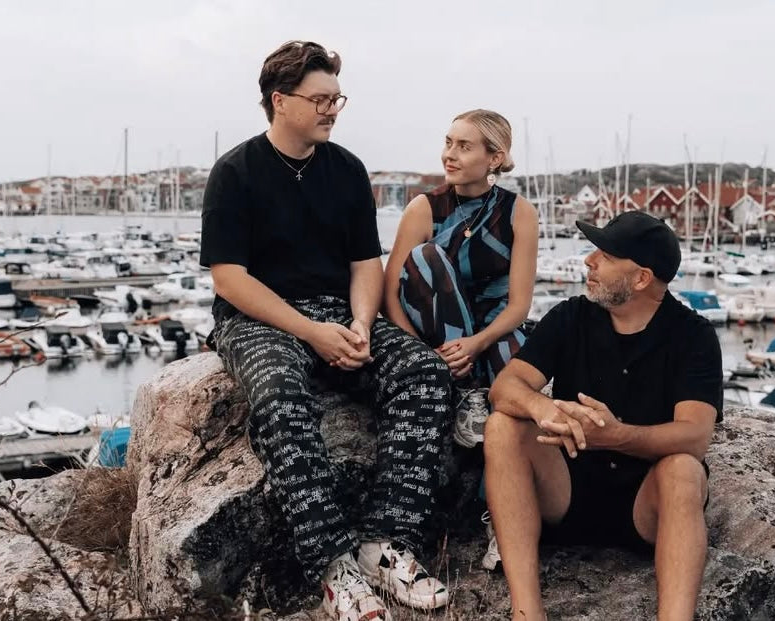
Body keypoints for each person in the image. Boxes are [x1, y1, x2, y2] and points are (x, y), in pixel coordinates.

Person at [200, 40, 452, 621]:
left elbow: (365, 263)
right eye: (320, 99)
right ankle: (335, 568)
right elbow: (229, 278)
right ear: (280, 100)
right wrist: (311, 332)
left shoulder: (347, 169)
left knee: (424, 373)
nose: (332, 109)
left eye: (337, 98)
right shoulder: (234, 172)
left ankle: (384, 544)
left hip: (339, 311)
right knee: (280, 397)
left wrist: (359, 324)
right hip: (259, 318)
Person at [482, 211, 723, 621]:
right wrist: (544, 408)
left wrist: (615, 435)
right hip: (565, 492)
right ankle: (526, 613)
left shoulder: (693, 336)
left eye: (606, 256)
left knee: (684, 470)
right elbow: (505, 388)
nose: (589, 261)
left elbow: (695, 436)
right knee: (503, 426)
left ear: (642, 278)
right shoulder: (570, 316)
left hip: (645, 505)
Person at [383, 109, 538, 390]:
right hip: (435, 337)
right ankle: (459, 380)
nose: (449, 155)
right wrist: (421, 352)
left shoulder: (520, 212)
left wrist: (476, 343)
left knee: (515, 377)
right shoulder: (423, 209)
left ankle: (481, 393)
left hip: (494, 331)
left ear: (495, 159)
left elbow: (519, 305)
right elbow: (390, 294)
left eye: (464, 147)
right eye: (448, 143)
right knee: (427, 256)